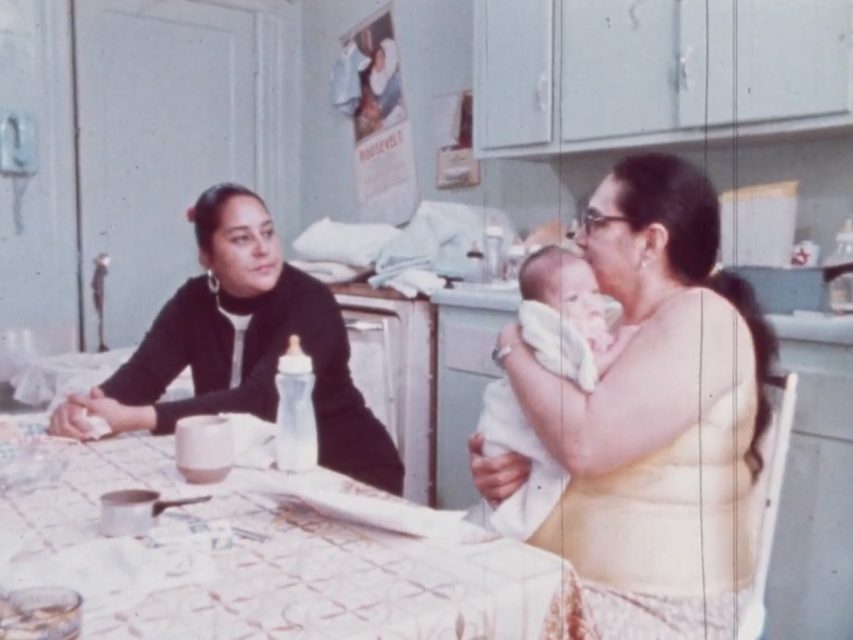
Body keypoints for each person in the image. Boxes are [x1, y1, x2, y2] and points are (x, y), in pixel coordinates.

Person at [468, 153, 778, 638]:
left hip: (657, 608)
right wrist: (509, 473)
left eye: (594, 221)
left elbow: (585, 444)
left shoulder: (702, 320)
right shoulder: (606, 328)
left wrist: (509, 343)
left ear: (650, 242)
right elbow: (559, 444)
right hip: (561, 578)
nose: (579, 237)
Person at [49, 183, 404, 495]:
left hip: (345, 471)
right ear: (207, 256)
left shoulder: (309, 300)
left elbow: (261, 399)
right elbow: (142, 376)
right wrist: (85, 410)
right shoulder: (193, 301)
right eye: (241, 238)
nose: (263, 249)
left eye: (267, 233)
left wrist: (136, 418)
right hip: (261, 474)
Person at [476, 246, 638, 541]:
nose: (591, 304)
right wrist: (621, 346)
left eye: (593, 291)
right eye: (573, 298)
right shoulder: (555, 336)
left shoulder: (594, 322)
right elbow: (584, 373)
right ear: (545, 312)